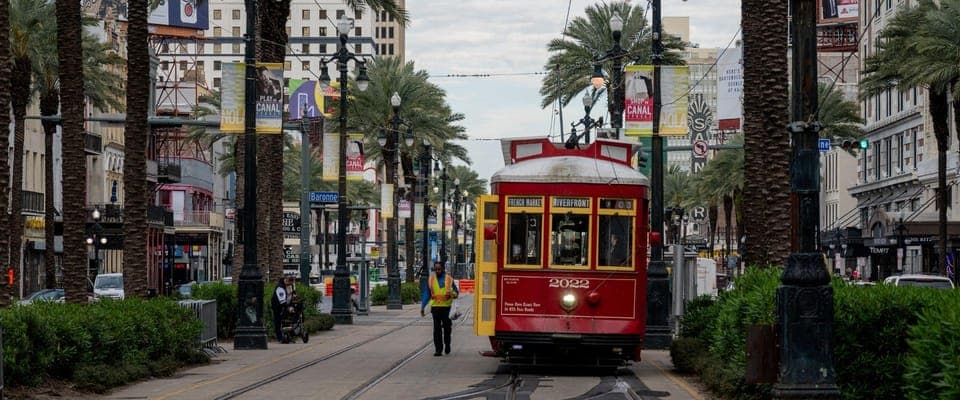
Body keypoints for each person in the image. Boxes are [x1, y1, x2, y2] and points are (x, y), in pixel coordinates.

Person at [421, 261, 459, 356]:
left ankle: (447, 345)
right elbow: (427, 294)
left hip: (447, 308)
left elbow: (456, 293)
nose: (437, 271)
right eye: (436, 269)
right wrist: (423, 306)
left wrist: (452, 293)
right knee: (436, 330)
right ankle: (438, 349)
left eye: (439, 269)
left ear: (443, 269)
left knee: (447, 329)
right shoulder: (431, 280)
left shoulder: (449, 279)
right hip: (435, 308)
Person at [271, 275, 294, 343]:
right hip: (277, 307)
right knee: (277, 322)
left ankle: (286, 336)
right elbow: (282, 300)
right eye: (290, 283)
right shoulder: (280, 288)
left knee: (285, 320)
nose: (290, 285)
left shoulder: (287, 286)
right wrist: (288, 307)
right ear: (287, 281)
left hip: (282, 306)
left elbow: (291, 293)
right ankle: (280, 338)